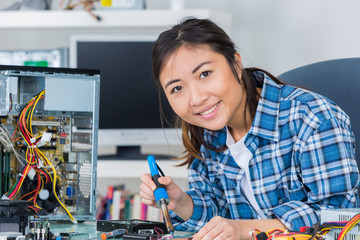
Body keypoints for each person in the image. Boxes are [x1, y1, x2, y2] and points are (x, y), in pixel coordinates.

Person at [139, 18, 360, 240]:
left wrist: (242, 230)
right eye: (177, 88)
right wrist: (181, 202)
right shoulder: (208, 133)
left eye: (205, 74)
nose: (196, 99)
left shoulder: (312, 118)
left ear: (236, 64)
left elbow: (339, 224)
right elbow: (219, 217)